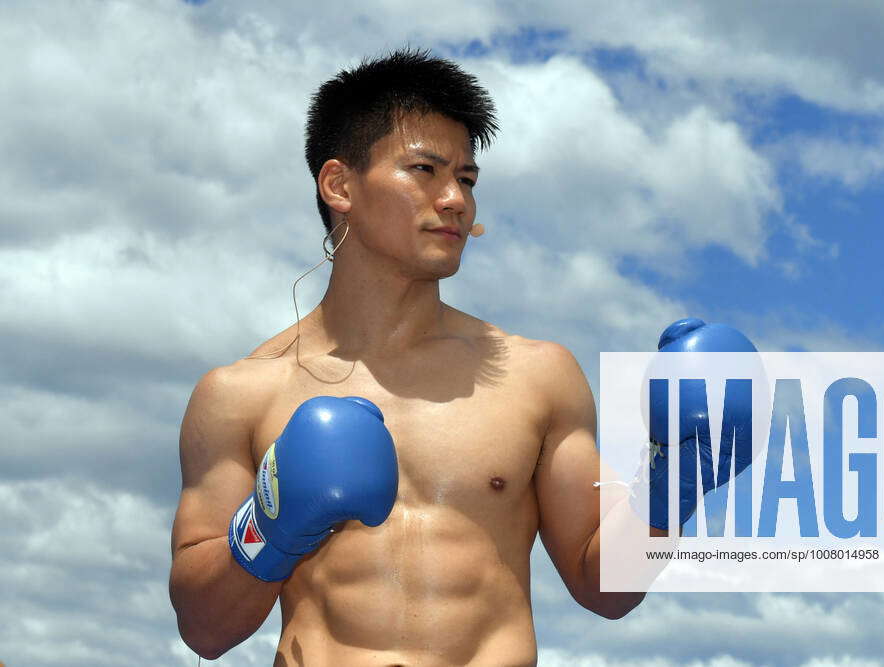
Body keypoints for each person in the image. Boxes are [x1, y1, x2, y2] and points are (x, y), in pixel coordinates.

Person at [168, 49, 651, 666]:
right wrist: (275, 523)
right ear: (339, 185)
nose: (455, 200)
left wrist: (674, 484)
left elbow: (605, 589)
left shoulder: (536, 376)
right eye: (424, 170)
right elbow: (205, 631)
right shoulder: (240, 394)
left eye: (468, 180)